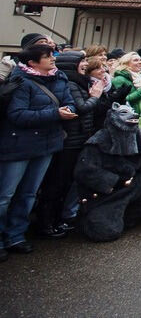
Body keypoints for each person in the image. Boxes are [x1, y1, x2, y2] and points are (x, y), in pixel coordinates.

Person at [0, 43, 76, 259]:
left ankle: (16, 235)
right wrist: (55, 114)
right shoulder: (21, 82)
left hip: (47, 144)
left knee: (29, 193)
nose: (53, 58)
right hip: (18, 145)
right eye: (47, 56)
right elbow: (17, 115)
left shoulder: (59, 77)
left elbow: (70, 102)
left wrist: (68, 109)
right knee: (5, 195)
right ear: (32, 62)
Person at [36, 51, 104, 239]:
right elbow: (81, 108)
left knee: (66, 182)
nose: (85, 64)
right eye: (81, 61)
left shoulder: (80, 82)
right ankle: (46, 223)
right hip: (69, 141)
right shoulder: (71, 84)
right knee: (57, 183)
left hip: (78, 138)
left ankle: (58, 219)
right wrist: (95, 96)